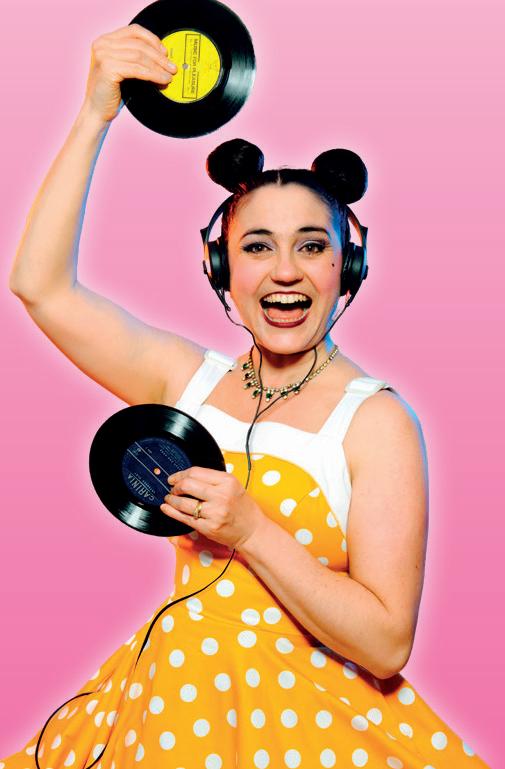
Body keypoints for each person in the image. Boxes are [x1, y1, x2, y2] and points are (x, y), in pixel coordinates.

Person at [3, 22, 489, 769]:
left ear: (347, 265)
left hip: (307, 730)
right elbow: (40, 286)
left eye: (312, 245)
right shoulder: (188, 380)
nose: (285, 270)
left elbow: (387, 643)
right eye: (256, 246)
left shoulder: (375, 420)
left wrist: (252, 530)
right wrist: (96, 113)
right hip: (167, 708)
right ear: (220, 268)